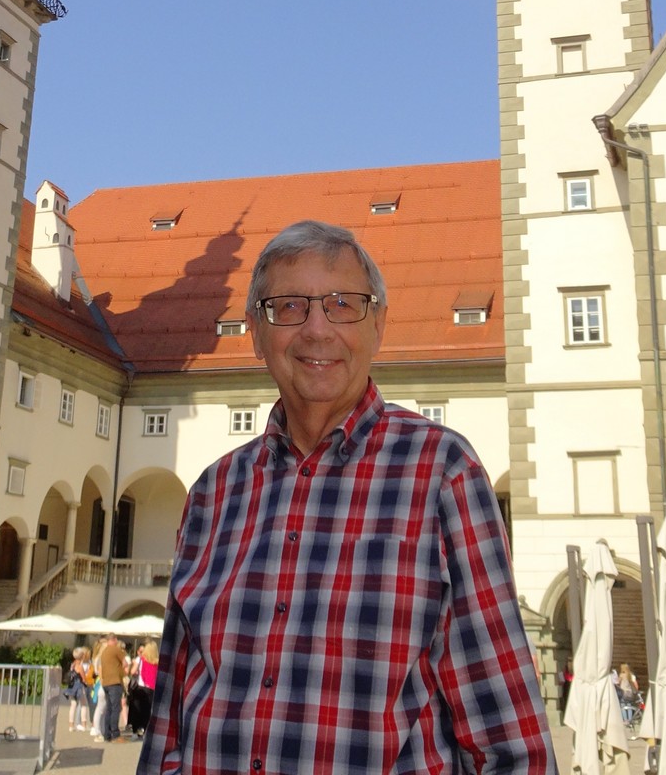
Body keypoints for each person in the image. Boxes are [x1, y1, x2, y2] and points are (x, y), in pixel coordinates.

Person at [137, 220, 557, 775]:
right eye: (288, 308)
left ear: (379, 325)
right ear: (256, 334)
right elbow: (170, 720)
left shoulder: (441, 475)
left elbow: (509, 737)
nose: (317, 329)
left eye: (343, 304)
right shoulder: (213, 495)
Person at [95, 631, 128, 743]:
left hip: (105, 683)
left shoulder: (104, 652)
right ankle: (115, 734)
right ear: (114, 640)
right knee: (115, 708)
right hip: (115, 682)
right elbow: (125, 663)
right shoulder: (116, 649)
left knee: (109, 708)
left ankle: (107, 734)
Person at [129, 641, 158, 737]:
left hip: (141, 687)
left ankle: (135, 731)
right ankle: (146, 730)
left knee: (138, 709)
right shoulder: (158, 661)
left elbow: (132, 671)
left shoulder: (140, 659)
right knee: (148, 710)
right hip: (152, 688)